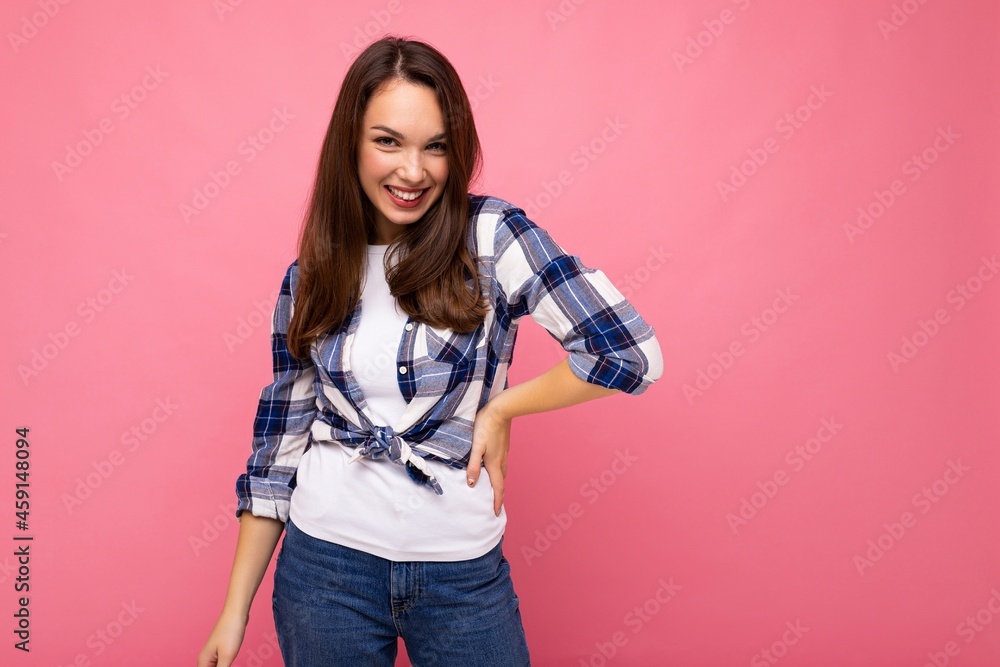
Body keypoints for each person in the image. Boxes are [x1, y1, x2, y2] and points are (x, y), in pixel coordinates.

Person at [198, 35, 663, 667]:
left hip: (460, 574)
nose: (413, 172)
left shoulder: (491, 238)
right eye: (388, 141)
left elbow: (628, 352)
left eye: (436, 146)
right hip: (323, 571)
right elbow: (277, 452)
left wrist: (502, 409)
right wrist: (234, 611)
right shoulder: (312, 275)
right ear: (350, 143)